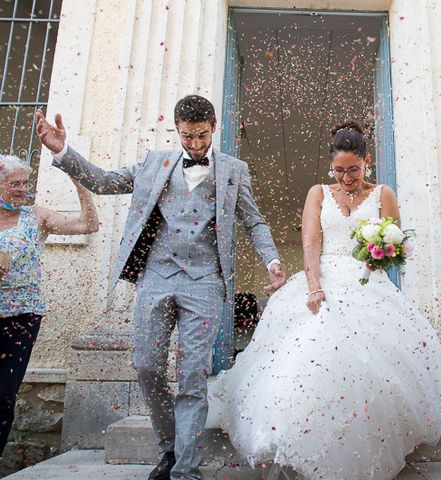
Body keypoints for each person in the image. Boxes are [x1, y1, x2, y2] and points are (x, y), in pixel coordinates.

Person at [35, 95, 287, 480]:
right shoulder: (154, 163)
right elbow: (104, 182)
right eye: (187, 136)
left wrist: (271, 259)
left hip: (205, 282)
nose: (195, 144)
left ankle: (186, 469)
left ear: (214, 128)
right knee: (146, 366)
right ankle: (170, 447)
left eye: (202, 136)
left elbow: (254, 221)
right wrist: (64, 150)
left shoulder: (235, 170)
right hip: (156, 277)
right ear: (177, 130)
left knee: (192, 375)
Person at [206, 121, 441, 480]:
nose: (346, 177)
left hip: (368, 283)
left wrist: (381, 253)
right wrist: (313, 287)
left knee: (369, 365)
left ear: (366, 161)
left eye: (353, 169)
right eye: (339, 170)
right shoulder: (319, 193)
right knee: (306, 359)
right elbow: (311, 242)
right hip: (322, 281)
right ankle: (292, 441)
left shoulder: (383, 193)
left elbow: (395, 244)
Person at [0, 154, 99, 456]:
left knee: (3, 394)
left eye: (24, 183)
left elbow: (89, 224)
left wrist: (79, 183)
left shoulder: (36, 216)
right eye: (13, 183)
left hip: (22, 317)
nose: (21, 189)